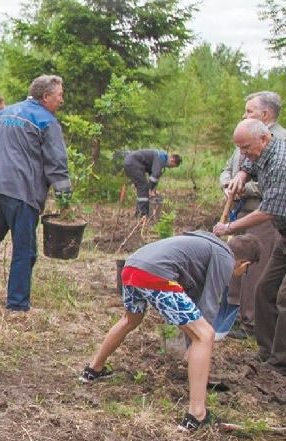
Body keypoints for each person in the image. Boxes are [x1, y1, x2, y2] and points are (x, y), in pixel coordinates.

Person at [80, 232, 261, 432]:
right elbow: (209, 304)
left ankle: (92, 370)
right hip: (156, 274)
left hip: (132, 266)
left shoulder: (206, 242)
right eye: (246, 270)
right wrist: (197, 342)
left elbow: (191, 300)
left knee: (130, 320)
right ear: (244, 264)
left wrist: (192, 339)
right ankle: (197, 415)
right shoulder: (225, 258)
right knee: (206, 334)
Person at [0, 74, 71, 310]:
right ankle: (17, 303)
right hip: (22, 194)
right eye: (59, 96)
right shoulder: (47, 121)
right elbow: (56, 163)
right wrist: (65, 198)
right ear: (45, 97)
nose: (62, 101)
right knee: (24, 251)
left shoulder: (3, 114)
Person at [214, 118, 286, 376]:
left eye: (246, 147)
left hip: (277, 221)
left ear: (265, 139)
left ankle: (279, 365)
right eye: (240, 148)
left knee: (283, 298)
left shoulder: (281, 161)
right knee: (264, 289)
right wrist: (241, 175)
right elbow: (248, 164)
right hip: (283, 235)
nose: (242, 154)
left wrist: (229, 229)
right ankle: (267, 353)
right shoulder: (262, 153)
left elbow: (268, 210)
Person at [121, 149, 182, 217]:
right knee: (143, 186)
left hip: (131, 162)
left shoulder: (161, 156)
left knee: (142, 187)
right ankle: (142, 214)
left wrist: (153, 190)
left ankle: (139, 213)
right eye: (172, 166)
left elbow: (153, 173)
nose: (170, 168)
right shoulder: (161, 158)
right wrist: (149, 189)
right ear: (172, 160)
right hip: (132, 163)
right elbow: (154, 176)